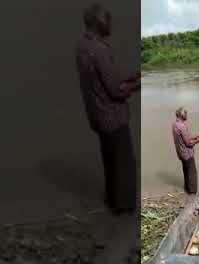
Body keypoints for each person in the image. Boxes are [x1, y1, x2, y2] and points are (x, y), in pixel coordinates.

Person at [76, 4, 140, 214]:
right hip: (113, 116)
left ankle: (112, 201)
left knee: (110, 160)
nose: (111, 24)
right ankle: (123, 208)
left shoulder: (83, 46)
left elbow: (107, 77)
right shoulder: (100, 50)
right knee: (124, 164)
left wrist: (132, 75)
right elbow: (115, 90)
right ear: (100, 22)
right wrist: (138, 85)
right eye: (108, 20)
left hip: (97, 115)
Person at [172, 107, 199, 194]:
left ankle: (187, 188)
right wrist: (198, 140)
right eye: (186, 114)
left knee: (186, 171)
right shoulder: (182, 126)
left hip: (180, 153)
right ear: (182, 115)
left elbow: (185, 138)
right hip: (187, 154)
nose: (187, 116)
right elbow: (188, 143)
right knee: (192, 173)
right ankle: (192, 193)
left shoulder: (175, 124)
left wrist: (195, 136)